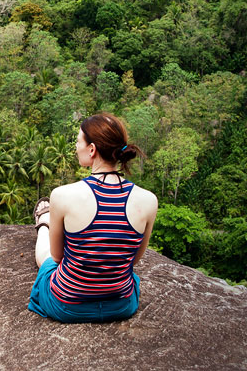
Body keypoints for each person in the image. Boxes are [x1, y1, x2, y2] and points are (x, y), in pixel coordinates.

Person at [28, 113, 158, 323]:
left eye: (78, 142)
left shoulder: (62, 196)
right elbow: (133, 260)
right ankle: (45, 224)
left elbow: (58, 257)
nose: (75, 147)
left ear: (92, 149)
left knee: (48, 262)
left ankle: (44, 224)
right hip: (121, 305)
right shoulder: (149, 200)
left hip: (67, 306)